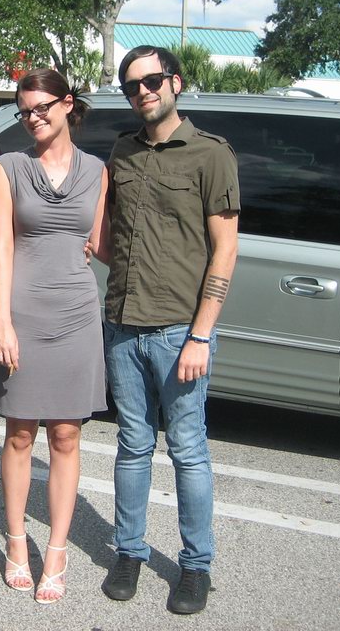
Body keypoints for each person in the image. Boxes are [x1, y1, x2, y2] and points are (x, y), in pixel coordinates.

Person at [99, 46, 240, 616]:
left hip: (181, 330)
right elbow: (109, 233)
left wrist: (201, 335)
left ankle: (196, 565)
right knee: (133, 445)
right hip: (122, 326)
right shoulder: (122, 151)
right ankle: (128, 552)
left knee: (187, 449)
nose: (143, 91)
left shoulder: (211, 154)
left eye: (152, 80)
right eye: (131, 85)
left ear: (175, 82)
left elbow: (225, 249)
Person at [0, 68, 109, 604]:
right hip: (24, 314)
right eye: (25, 111)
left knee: (66, 435)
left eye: (42, 107)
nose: (33, 118)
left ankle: (56, 551)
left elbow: (103, 243)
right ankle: (17, 542)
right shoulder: (8, 168)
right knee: (19, 434)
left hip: (78, 314)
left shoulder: (98, 170)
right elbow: (2, 250)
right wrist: (3, 322)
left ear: (68, 104)